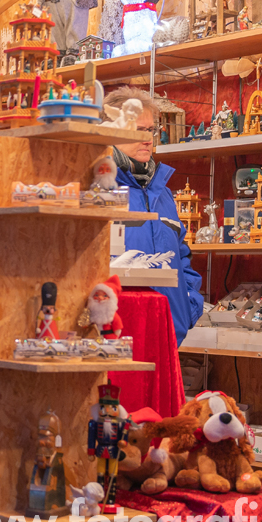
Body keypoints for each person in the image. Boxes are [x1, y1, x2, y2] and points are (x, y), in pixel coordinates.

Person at [105, 87, 204, 344]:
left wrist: (189, 306)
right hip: (113, 337)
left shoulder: (163, 193)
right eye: (138, 130)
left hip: (168, 335)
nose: (148, 139)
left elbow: (182, 255)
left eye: (150, 130)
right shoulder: (97, 190)